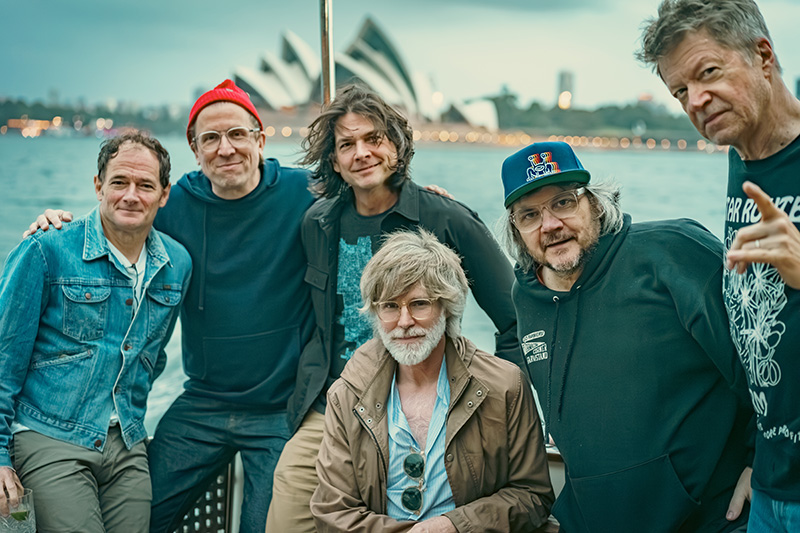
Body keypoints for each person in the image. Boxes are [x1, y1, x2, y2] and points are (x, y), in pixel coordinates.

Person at [23, 80, 316, 533]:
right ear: (194, 150)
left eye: (238, 134)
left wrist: (430, 201)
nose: (226, 149)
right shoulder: (173, 200)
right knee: (145, 514)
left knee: (268, 525)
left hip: (280, 410)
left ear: (260, 139)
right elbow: (119, 209)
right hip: (203, 402)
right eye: (210, 139)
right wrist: (54, 222)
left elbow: (375, 193)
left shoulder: (306, 193)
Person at [267, 84, 524, 532]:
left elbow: (514, 316)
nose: (361, 153)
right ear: (334, 161)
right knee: (288, 518)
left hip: (432, 410)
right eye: (346, 144)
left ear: (397, 146)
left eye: (373, 139)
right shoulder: (318, 222)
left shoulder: (445, 218)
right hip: (332, 408)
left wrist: (509, 408)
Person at [499, 141, 754, 532]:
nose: (549, 224)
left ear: (595, 204)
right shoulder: (527, 295)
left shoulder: (672, 251)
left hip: (711, 517)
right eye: (529, 214)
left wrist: (765, 463)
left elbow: (763, 362)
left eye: (564, 202)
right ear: (516, 229)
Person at [637, 1, 800, 529]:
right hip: (774, 482)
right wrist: (759, 455)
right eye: (680, 91)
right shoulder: (741, 153)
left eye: (708, 73)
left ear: (763, 56)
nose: (696, 101)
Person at [0, 131, 191, 532]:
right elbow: (4, 358)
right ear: (98, 185)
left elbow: (151, 358)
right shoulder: (46, 249)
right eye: (119, 182)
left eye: (145, 185)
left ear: (164, 195)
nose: (130, 195)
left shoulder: (177, 264)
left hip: (127, 442)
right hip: (50, 435)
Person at [310, 228, 554, 532]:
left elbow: (532, 497)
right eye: (389, 306)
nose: (404, 322)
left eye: (419, 304)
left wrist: (454, 526)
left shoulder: (505, 385)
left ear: (447, 307)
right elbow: (333, 511)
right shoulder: (347, 393)